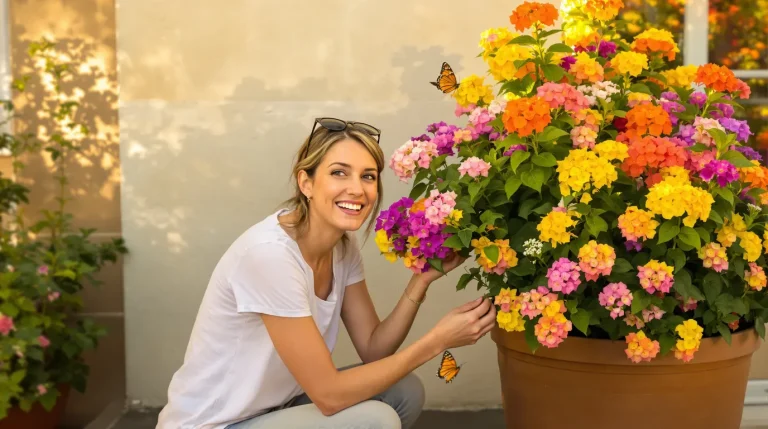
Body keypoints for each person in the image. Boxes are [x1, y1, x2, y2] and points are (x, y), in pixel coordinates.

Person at [156, 118, 497, 429]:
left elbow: (374, 350)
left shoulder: (341, 249)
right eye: (339, 172)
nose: (357, 189)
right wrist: (436, 342)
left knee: (401, 390)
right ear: (306, 182)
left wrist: (421, 278)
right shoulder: (270, 256)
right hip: (214, 425)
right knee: (375, 420)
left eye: (368, 176)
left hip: (274, 412)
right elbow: (329, 396)